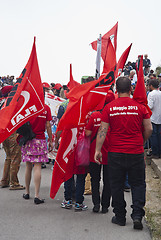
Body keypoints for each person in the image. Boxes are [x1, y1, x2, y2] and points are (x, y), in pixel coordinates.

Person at [95, 76, 152, 230]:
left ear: (116, 90)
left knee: (117, 185)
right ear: (130, 89)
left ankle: (120, 216)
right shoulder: (140, 107)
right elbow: (149, 128)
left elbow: (103, 130)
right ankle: (137, 215)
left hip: (115, 153)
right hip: (136, 152)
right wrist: (141, 141)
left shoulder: (109, 108)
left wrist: (98, 150)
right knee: (138, 184)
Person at [85, 92, 115, 213]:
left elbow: (87, 133)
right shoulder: (114, 115)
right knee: (108, 181)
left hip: (94, 153)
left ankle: (96, 204)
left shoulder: (95, 115)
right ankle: (105, 206)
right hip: (110, 153)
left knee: (95, 179)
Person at [22, 104, 53, 204]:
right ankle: (37, 195)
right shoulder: (46, 108)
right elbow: (48, 125)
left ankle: (27, 192)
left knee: (28, 166)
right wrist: (51, 140)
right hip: (40, 139)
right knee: (38, 166)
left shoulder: (28, 106)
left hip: (28, 139)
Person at [0, 85, 25, 190]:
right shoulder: (13, 103)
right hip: (13, 132)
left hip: (3, 132)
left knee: (8, 157)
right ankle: (14, 183)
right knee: (15, 158)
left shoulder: (3, 103)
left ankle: (4, 180)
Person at [148, 79, 161, 158]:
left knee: (154, 136)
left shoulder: (151, 94)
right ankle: (159, 152)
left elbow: (150, 106)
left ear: (151, 86)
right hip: (160, 117)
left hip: (153, 118)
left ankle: (155, 153)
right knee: (159, 136)